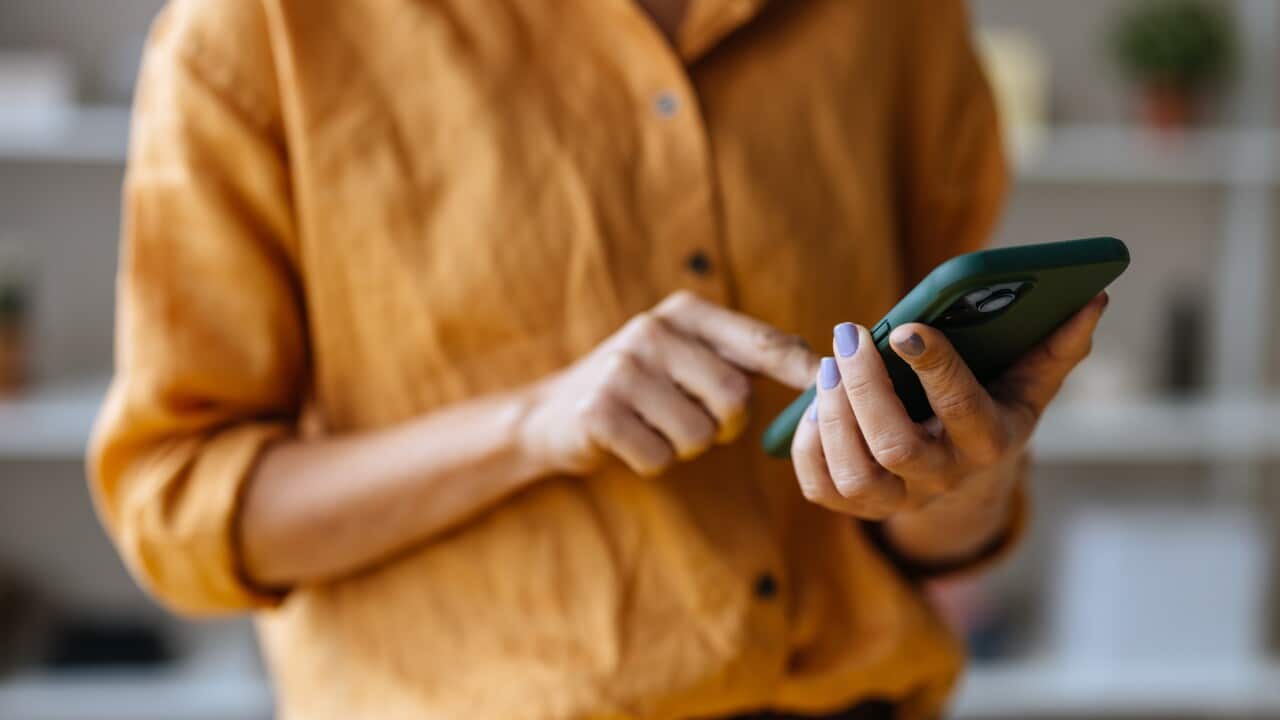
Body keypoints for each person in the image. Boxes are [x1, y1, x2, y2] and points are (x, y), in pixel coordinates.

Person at [89, 0, 1105, 718]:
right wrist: (529, 427)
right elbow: (177, 502)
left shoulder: (900, 19)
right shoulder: (262, 27)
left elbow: (944, 531)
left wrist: (963, 474)